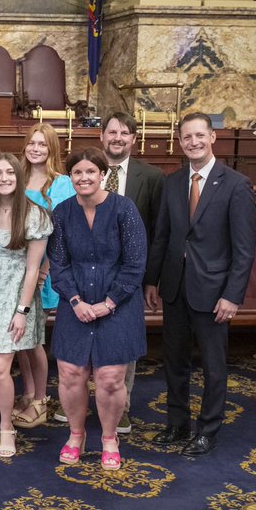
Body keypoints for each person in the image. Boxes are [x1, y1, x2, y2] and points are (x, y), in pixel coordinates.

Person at [146, 113, 256, 456]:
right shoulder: (173, 181)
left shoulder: (236, 185)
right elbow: (162, 236)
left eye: (199, 136)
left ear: (212, 138)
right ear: (180, 142)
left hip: (214, 294)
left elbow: (244, 249)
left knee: (213, 366)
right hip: (176, 288)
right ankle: (177, 424)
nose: (192, 142)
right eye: (186, 137)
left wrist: (232, 296)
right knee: (175, 361)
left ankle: (208, 429)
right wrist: (152, 281)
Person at [50, 149, 148, 471]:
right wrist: (76, 301)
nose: (84, 178)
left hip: (118, 306)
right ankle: (76, 435)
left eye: (91, 171)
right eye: (77, 172)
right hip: (75, 305)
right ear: (70, 177)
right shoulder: (62, 213)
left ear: (102, 173)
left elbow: (135, 264)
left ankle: (108, 438)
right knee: (71, 374)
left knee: (109, 378)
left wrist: (109, 302)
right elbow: (59, 264)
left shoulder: (124, 209)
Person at [0, 154, 51, 458]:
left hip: (15, 296)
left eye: (9, 173)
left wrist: (22, 311)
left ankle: (6, 426)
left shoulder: (35, 215)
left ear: (18, 176)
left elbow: (33, 269)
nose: (3, 178)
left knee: (1, 369)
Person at [99, 111, 164, 434]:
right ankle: (90, 399)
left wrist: (151, 279)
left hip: (130, 275)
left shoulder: (150, 177)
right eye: (112, 132)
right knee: (91, 336)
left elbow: (157, 231)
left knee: (124, 339)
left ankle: (121, 406)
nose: (118, 138)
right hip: (92, 271)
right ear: (101, 136)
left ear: (134, 140)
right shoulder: (87, 171)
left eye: (125, 133)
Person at [17, 122, 74, 429]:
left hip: (45, 270)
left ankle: (41, 397)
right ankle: (27, 392)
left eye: (43, 144)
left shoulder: (62, 184)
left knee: (37, 336)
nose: (36, 149)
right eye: (32, 143)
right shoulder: (17, 178)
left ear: (52, 149)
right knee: (21, 337)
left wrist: (44, 270)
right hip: (17, 270)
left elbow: (61, 234)